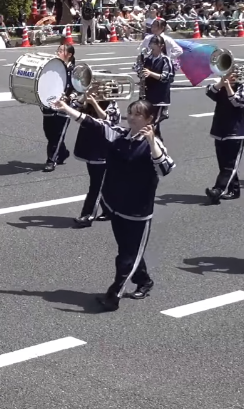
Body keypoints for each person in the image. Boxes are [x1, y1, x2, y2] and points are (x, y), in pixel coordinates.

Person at [49, 98, 174, 311]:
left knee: (126, 256)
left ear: (150, 119)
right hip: (116, 204)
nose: (132, 117)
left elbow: (165, 169)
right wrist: (66, 108)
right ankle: (144, 280)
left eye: (138, 114)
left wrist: (152, 141)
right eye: (130, 112)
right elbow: (92, 123)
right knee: (127, 250)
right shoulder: (120, 135)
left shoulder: (153, 144)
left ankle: (114, 295)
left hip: (138, 211)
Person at [71, 87, 121, 227]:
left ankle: (88, 215)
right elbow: (72, 108)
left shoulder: (112, 103)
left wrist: (94, 103)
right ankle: (109, 210)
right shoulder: (86, 102)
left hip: (102, 149)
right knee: (99, 182)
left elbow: (110, 120)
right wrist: (84, 96)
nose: (96, 92)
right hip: (89, 147)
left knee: (96, 185)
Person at [204, 69, 244, 204]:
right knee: (224, 164)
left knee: (230, 165)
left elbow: (238, 103)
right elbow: (209, 92)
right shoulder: (220, 86)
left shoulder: (243, 87)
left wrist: (228, 87)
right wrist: (222, 83)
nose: (230, 76)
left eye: (232, 74)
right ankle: (234, 189)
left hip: (236, 131)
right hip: (219, 130)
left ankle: (218, 190)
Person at [42, 44, 76, 172]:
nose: (58, 52)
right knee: (49, 132)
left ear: (69, 55)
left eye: (62, 51)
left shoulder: (74, 70)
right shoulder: (52, 67)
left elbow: (79, 88)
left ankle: (51, 160)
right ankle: (62, 152)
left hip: (65, 105)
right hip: (49, 103)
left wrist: (70, 97)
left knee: (57, 134)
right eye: (58, 50)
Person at [137, 34, 174, 140]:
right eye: (151, 43)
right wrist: (139, 69)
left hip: (159, 97)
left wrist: (150, 73)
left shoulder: (165, 60)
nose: (151, 46)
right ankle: (155, 143)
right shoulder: (147, 59)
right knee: (148, 122)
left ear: (161, 46)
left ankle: (154, 144)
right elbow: (140, 72)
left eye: (154, 43)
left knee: (153, 123)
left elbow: (167, 77)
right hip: (147, 94)